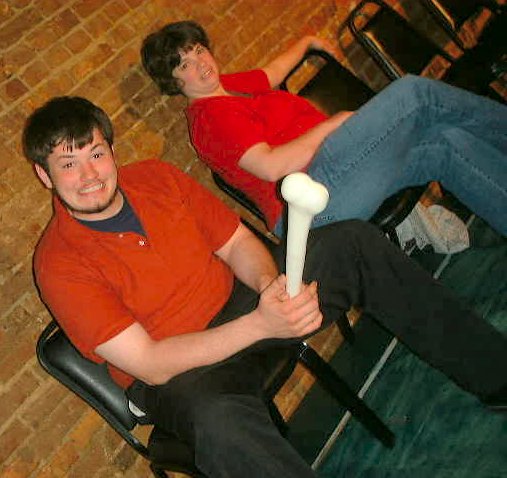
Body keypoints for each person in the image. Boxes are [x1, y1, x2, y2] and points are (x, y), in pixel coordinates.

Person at [25, 96, 506, 478]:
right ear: (44, 175)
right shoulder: (58, 263)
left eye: (96, 154)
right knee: (219, 427)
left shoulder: (156, 177)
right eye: (68, 164)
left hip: (245, 306)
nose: (90, 175)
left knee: (350, 243)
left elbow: (236, 242)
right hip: (183, 374)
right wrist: (261, 324)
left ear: (111, 152)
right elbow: (150, 363)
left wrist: (270, 286)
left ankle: (495, 373)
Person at [140, 20, 507, 237]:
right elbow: (270, 166)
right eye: (184, 64)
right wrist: (332, 124)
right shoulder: (209, 119)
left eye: (198, 50)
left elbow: (272, 74)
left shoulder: (232, 86)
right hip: (310, 202)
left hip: (342, 170)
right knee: (415, 93)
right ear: (173, 82)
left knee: (444, 144)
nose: (200, 63)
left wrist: (307, 43)